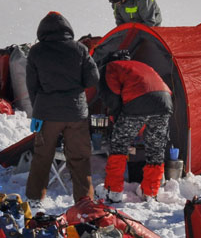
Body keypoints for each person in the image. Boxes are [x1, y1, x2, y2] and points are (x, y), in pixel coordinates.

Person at [25, 12, 100, 205]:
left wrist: (38, 109)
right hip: (76, 113)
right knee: (80, 158)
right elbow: (93, 79)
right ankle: (84, 201)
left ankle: (34, 199)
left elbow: (32, 86)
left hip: (47, 114)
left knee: (42, 157)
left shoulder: (36, 52)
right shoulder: (80, 49)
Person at [98, 52, 174, 202]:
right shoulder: (139, 65)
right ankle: (150, 192)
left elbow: (111, 98)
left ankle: (113, 192)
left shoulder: (111, 67)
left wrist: (116, 121)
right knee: (155, 148)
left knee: (119, 145)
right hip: (164, 101)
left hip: (137, 102)